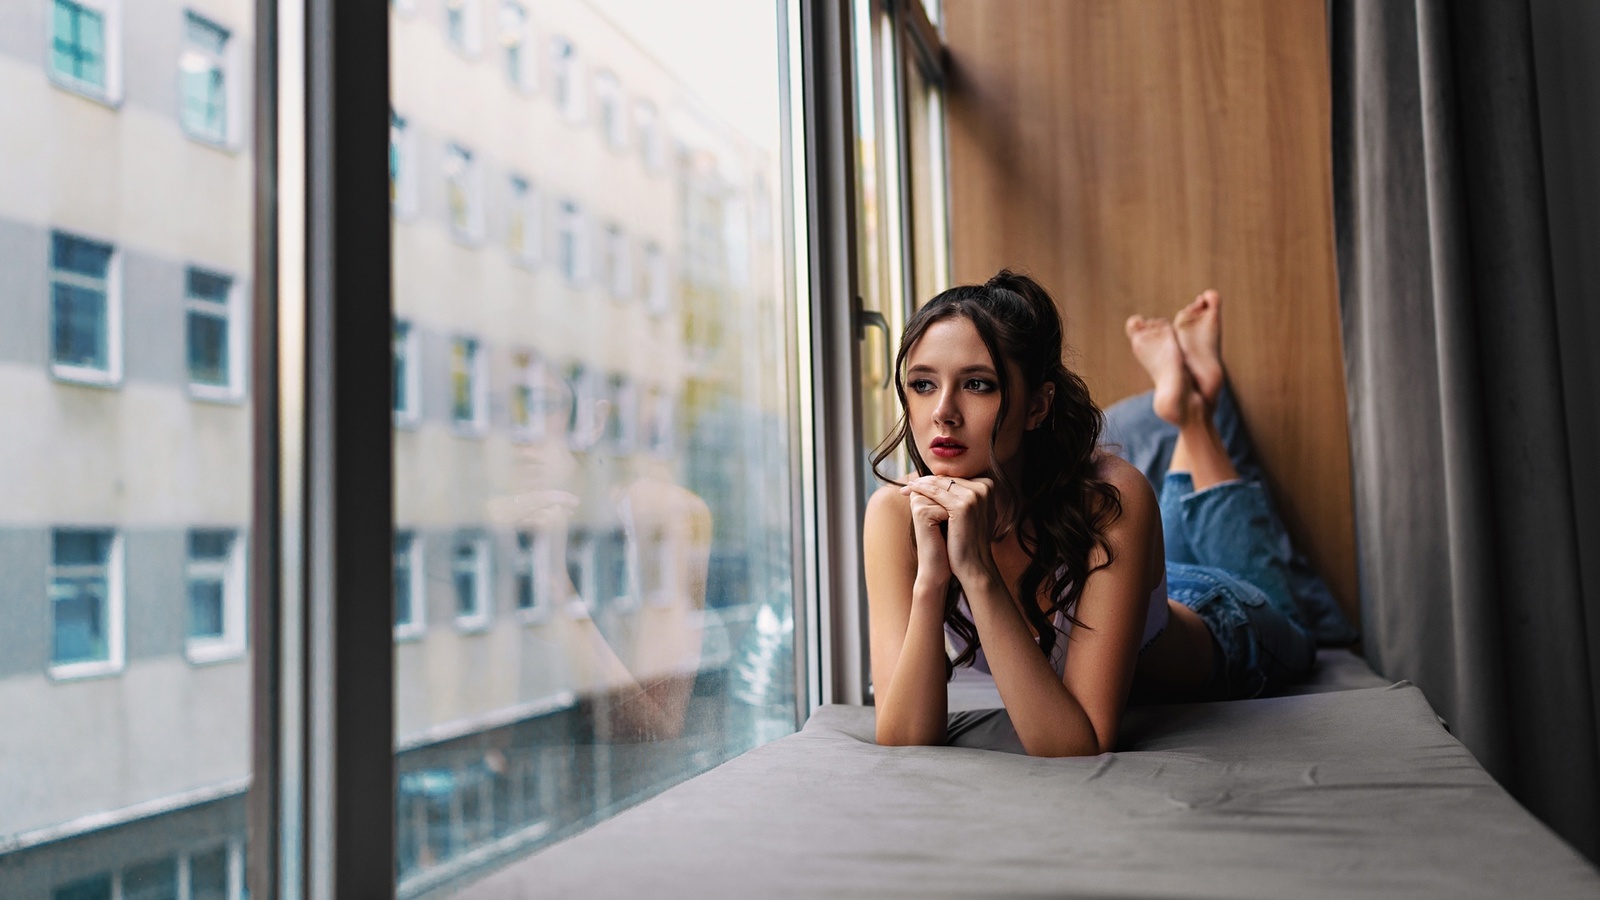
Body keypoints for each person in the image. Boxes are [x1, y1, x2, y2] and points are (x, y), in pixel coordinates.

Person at [863, 271, 1319, 757]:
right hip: (1127, 584)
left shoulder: (1110, 498)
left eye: (978, 384)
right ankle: (1187, 403)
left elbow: (1076, 744)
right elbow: (904, 736)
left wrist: (975, 571)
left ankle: (1194, 414)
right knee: (1167, 547)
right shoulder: (896, 514)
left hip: (1220, 621)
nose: (943, 412)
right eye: (923, 384)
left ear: (1038, 405)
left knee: (1295, 620)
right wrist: (933, 579)